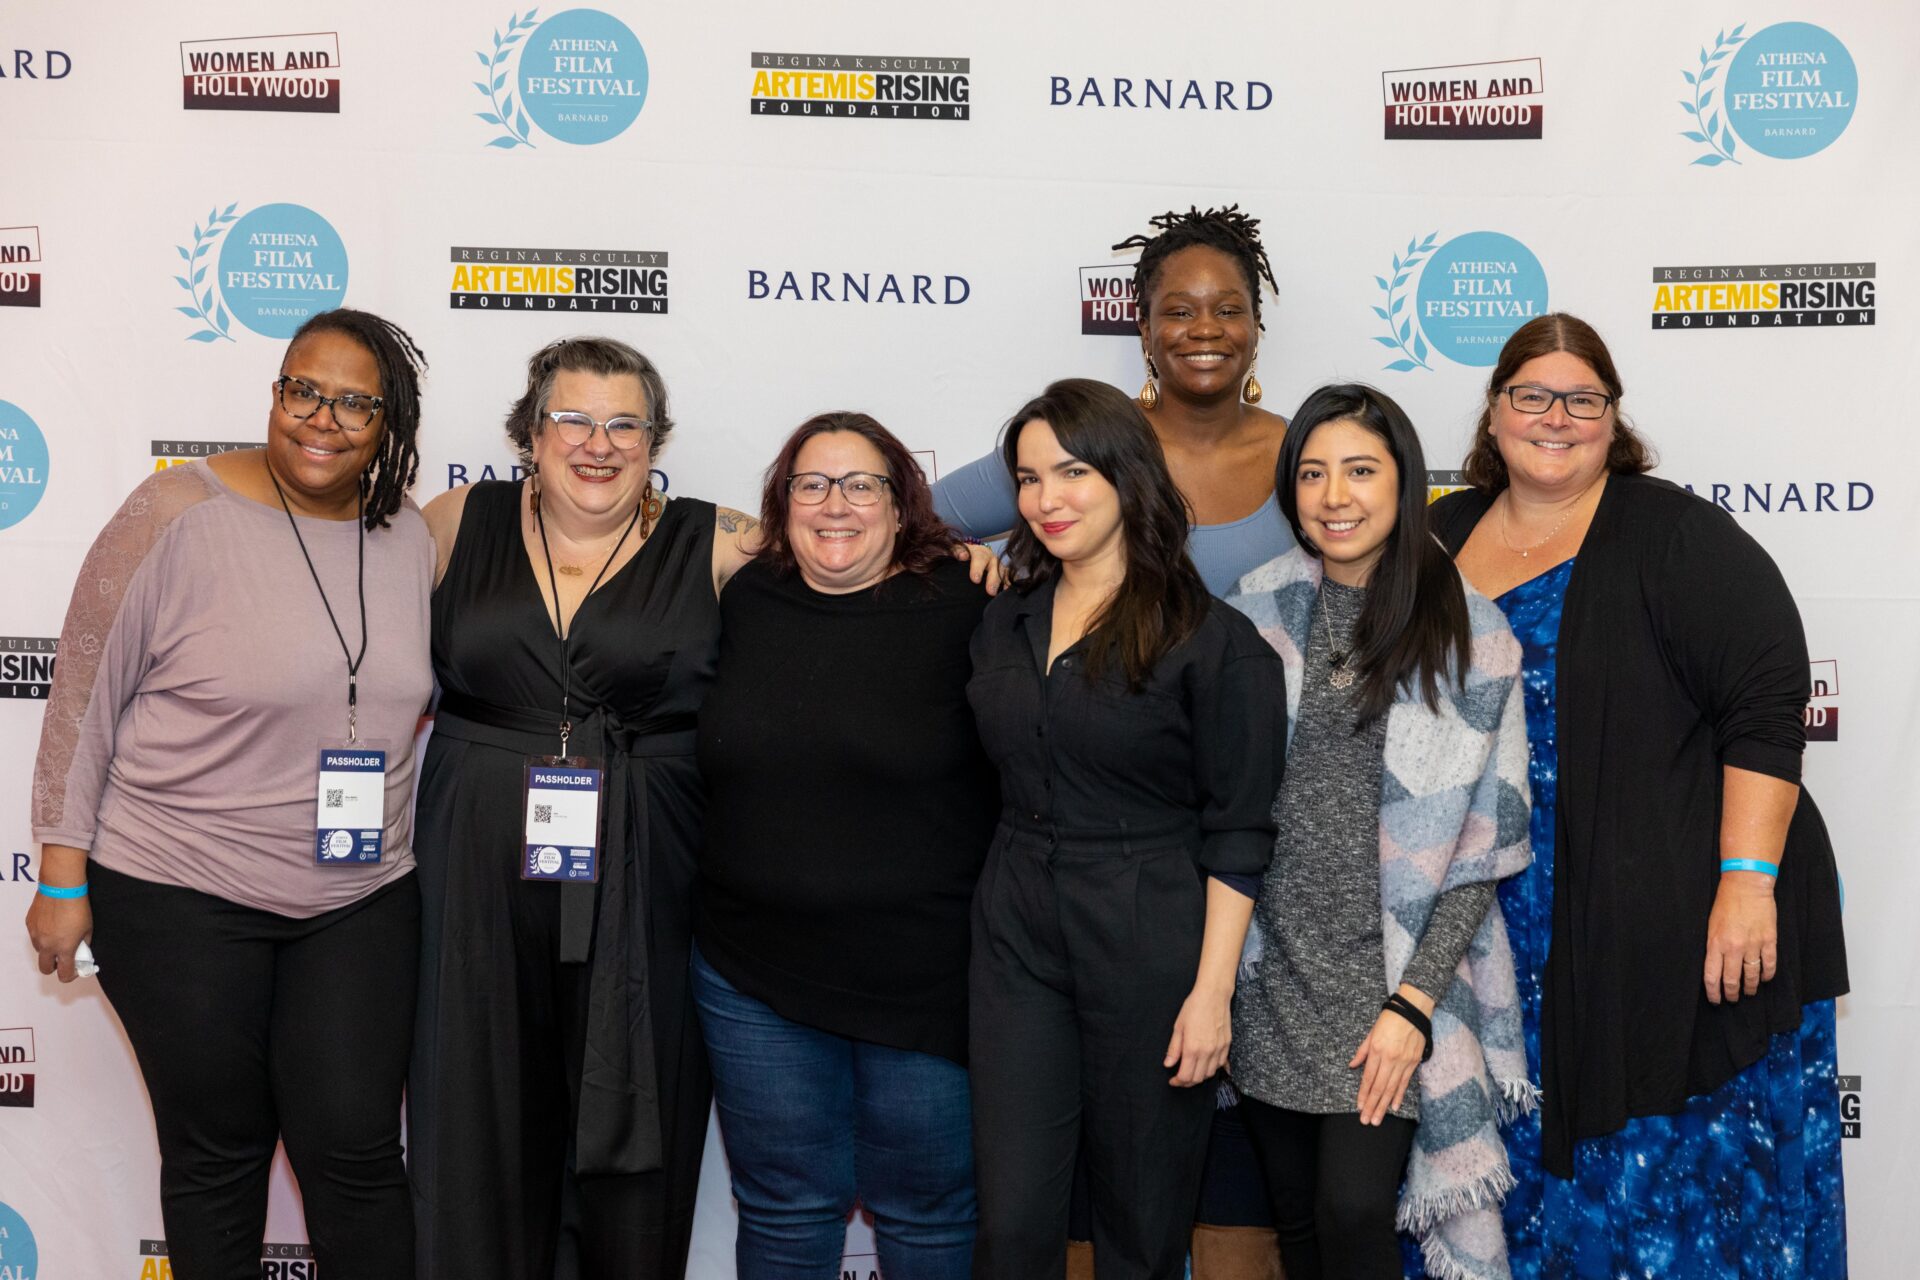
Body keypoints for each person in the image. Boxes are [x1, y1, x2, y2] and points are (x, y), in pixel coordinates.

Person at [409, 339, 1002, 1279]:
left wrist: (954, 553)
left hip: (647, 859)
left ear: (654, 441)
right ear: (530, 432)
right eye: (573, 419)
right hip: (476, 854)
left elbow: (838, 547)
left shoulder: (720, 539)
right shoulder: (452, 521)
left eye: (625, 425)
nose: (598, 443)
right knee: (475, 1103)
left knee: (636, 1094)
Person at [1426, 314, 1849, 1279]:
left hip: (1675, 920)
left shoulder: (1675, 534)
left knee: (1665, 1186)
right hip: (1502, 926)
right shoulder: (1438, 534)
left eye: (1584, 400)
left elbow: (1765, 708)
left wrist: (1746, 885)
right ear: (1493, 413)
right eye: (1533, 396)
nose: (1557, 418)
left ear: (1613, 419)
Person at [26, 308, 433, 1279]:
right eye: (302, 390)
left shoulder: (409, 534)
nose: (321, 418)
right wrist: (62, 871)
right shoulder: (176, 511)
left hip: (359, 898)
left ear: (390, 423)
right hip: (178, 892)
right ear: (274, 392)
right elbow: (84, 689)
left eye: (354, 403)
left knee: (356, 1153)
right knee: (218, 1153)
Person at [942, 203, 1294, 1278]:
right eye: (1029, 478)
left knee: (1143, 1229)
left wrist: (1211, 991)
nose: (1047, 499)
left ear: (1126, 478)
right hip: (1016, 924)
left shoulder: (1216, 642)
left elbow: (1240, 830)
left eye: (1073, 474)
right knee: (1013, 1222)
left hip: (1152, 929)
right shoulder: (999, 619)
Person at [1224, 385, 1532, 1280]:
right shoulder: (1252, 612)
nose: (1335, 496)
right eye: (1313, 474)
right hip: (1273, 977)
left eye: (1360, 471)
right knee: (1299, 1229)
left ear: (1404, 483)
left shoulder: (1469, 632)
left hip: (1392, 984)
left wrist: (1412, 1007)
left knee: (1353, 1214)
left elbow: (1481, 853)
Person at [692, 412, 999, 1279]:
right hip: (753, 976)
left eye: (862, 485)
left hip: (926, 979)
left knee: (928, 1217)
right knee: (784, 1211)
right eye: (813, 485)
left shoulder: (970, 603)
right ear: (781, 504)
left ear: (901, 506)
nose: (836, 505)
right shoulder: (743, 598)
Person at [936, 205, 1294, 595]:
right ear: (1146, 331)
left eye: (1227, 311)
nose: (1205, 329)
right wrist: (968, 553)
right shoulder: (1081, 437)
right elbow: (909, 520)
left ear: (1254, 325)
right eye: (1180, 312)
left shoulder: (1305, 454)